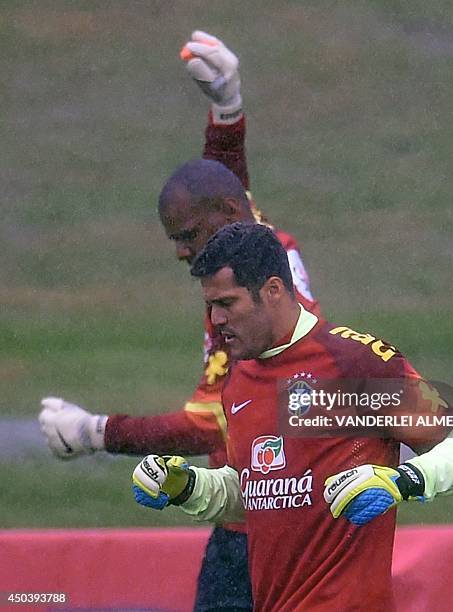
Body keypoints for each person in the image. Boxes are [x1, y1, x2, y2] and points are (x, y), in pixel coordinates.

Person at [38, 32, 318, 612]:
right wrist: (227, 114)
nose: (181, 253)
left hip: (265, 533)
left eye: (187, 238)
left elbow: (207, 423)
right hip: (269, 517)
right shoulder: (256, 246)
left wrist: (97, 432)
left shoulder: (249, 306)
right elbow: (224, 193)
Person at [132, 223, 453, 612]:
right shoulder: (239, 378)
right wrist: (189, 486)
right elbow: (261, 492)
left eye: (227, 304)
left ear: (272, 290)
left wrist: (402, 481)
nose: (215, 319)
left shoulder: (351, 364)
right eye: (209, 306)